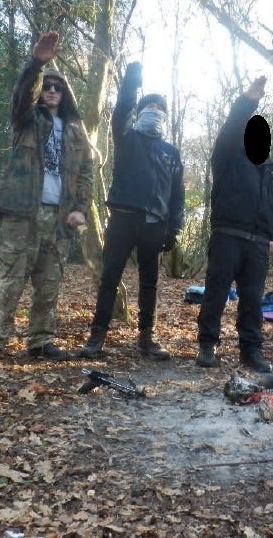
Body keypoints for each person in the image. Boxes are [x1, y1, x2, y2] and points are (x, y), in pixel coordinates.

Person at [0, 31, 93, 364]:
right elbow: (21, 98)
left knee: (49, 283)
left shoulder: (76, 131)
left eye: (57, 87)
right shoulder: (26, 120)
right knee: (10, 278)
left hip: (59, 218)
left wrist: (81, 209)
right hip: (22, 212)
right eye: (47, 86)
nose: (52, 91)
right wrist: (37, 64)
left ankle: (41, 341)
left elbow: (86, 174)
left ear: (65, 93)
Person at [77, 61, 185, 360]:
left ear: (165, 116)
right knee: (109, 278)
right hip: (122, 220)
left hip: (155, 226)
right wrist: (131, 82)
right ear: (140, 112)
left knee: (149, 283)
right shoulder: (127, 138)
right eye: (149, 106)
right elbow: (121, 112)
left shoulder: (171, 152)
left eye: (159, 108)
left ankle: (146, 340)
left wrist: (175, 228)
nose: (154, 111)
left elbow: (178, 194)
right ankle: (96, 338)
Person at [195, 76, 273, 373]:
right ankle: (208, 344)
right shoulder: (229, 158)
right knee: (216, 294)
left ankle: (251, 350)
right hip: (227, 236)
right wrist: (248, 101)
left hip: (258, 245)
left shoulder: (271, 174)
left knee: (252, 300)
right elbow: (232, 127)